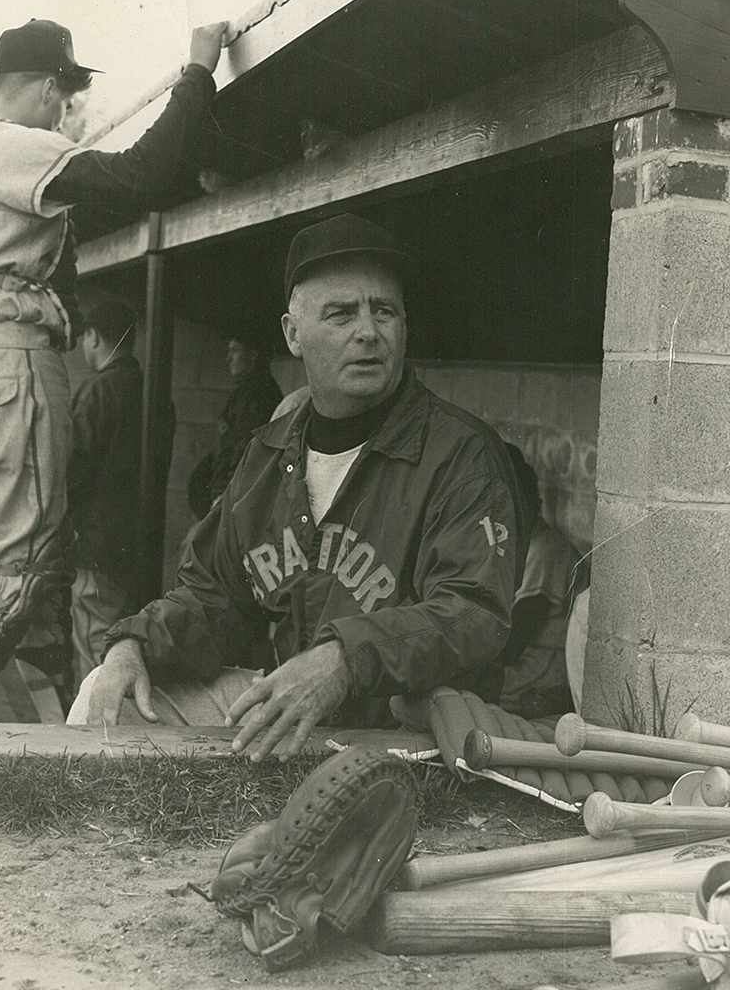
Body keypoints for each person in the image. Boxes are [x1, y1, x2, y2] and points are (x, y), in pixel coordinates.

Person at [69, 213, 528, 759]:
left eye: (385, 311)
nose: (368, 331)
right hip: (300, 716)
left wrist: (343, 658)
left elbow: (473, 614)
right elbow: (214, 596)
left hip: (410, 733)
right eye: (340, 314)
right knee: (105, 692)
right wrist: (135, 642)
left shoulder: (461, 454)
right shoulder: (266, 454)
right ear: (293, 334)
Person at [0, 16, 228, 719]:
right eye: (62, 94)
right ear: (38, 87)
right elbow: (134, 178)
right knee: (23, 567)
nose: (65, 110)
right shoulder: (13, 142)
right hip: (4, 364)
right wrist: (197, 73)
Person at [67, 294, 169, 686]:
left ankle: (96, 739)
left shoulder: (96, 392)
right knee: (131, 650)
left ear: (93, 336)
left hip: (98, 552)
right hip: (142, 549)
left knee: (98, 656)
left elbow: (69, 473)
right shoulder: (156, 392)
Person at [499, 445, 586, 718]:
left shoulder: (545, 547)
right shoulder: (514, 544)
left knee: (471, 693)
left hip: (550, 664)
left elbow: (519, 633)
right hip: (532, 658)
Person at [187, 332, 282, 520]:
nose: (228, 358)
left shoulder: (257, 393)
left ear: (253, 356)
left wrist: (223, 492)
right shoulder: (246, 391)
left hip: (234, 495)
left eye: (234, 351)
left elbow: (243, 448)